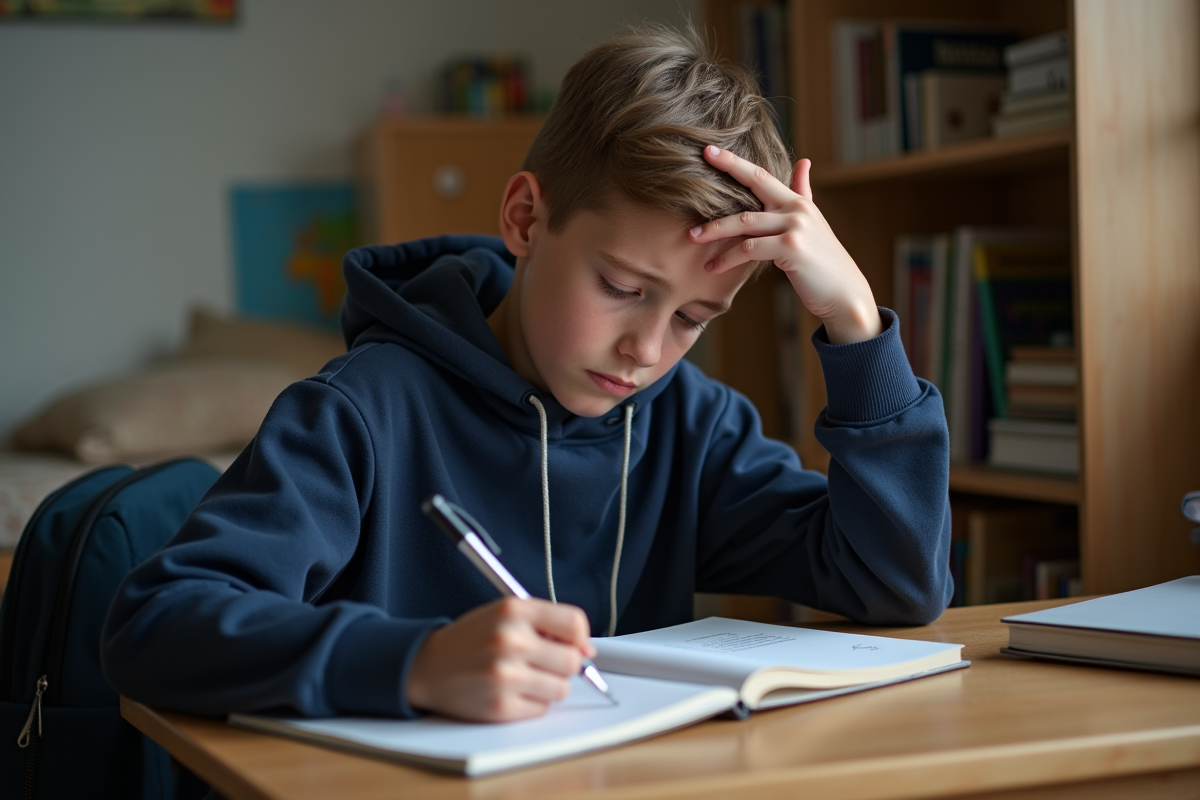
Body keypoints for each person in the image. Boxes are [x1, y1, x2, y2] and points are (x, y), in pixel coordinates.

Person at [102, 25, 952, 724]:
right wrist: (416, 664)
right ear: (524, 218)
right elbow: (155, 625)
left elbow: (898, 584)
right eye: (622, 288)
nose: (647, 351)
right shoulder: (363, 413)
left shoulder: (691, 423)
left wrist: (857, 328)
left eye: (694, 319)